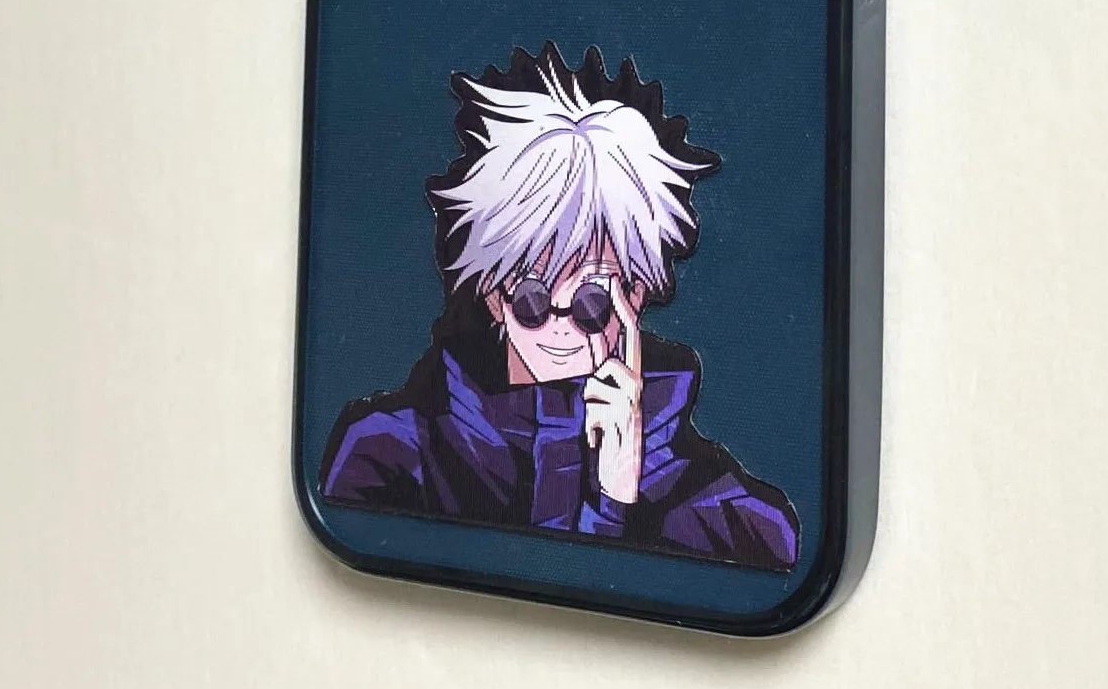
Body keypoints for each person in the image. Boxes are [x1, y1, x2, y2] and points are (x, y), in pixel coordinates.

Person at [318, 44, 799, 572]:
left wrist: (619, 492)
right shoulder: (396, 450)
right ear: (495, 296)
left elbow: (779, 555)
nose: (561, 327)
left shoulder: (680, 477)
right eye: (532, 300)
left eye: (593, 303)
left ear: (634, 297)